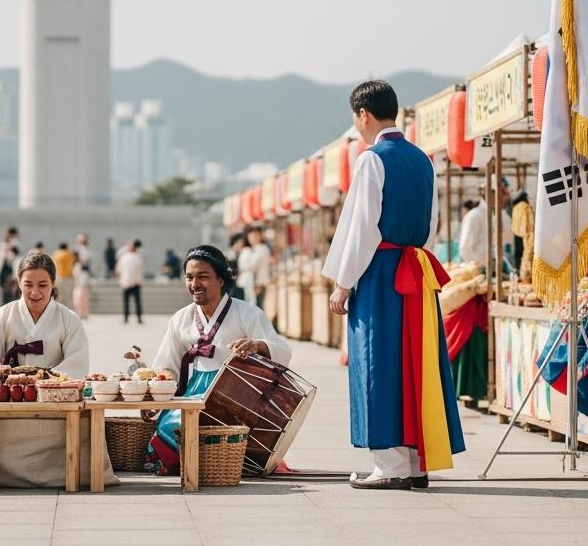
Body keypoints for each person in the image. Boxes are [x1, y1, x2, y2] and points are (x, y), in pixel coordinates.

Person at [323, 80, 464, 490]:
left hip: (381, 272)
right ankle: (418, 460)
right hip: (415, 269)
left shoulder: (371, 159)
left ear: (363, 114)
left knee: (378, 363)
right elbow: (432, 226)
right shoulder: (423, 159)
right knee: (416, 364)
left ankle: (390, 464)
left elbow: (362, 227)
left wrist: (343, 283)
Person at [144, 245, 291, 475]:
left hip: (237, 395)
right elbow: (166, 363)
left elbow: (282, 350)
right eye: (189, 277)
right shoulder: (181, 318)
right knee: (169, 427)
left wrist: (256, 345)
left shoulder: (248, 313)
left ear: (221, 280)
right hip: (194, 393)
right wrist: (155, 395)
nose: (195, 284)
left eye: (203, 277)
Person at [0, 251, 102, 487]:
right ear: (18, 283)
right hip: (11, 401)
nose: (35, 292)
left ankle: (71, 471)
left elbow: (77, 363)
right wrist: (9, 380)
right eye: (28, 285)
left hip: (55, 401)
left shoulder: (68, 318)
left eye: (43, 284)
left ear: (54, 284)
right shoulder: (1, 316)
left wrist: (44, 380)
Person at [459, 181, 509, 272]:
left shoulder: (499, 215)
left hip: (496, 270)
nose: (504, 198)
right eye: (501, 193)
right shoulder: (474, 216)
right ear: (490, 194)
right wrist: (483, 263)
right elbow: (465, 250)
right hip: (478, 271)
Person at [0, 227, 21, 306]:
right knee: (7, 294)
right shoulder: (5, 246)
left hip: (9, 272)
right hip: (5, 272)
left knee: (9, 294)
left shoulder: (12, 245)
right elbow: (1, 261)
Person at [117, 239, 144, 324]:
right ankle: (126, 318)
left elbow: (140, 269)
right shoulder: (124, 257)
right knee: (126, 302)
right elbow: (119, 269)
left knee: (137, 302)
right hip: (126, 283)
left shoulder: (138, 257)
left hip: (136, 283)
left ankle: (139, 318)